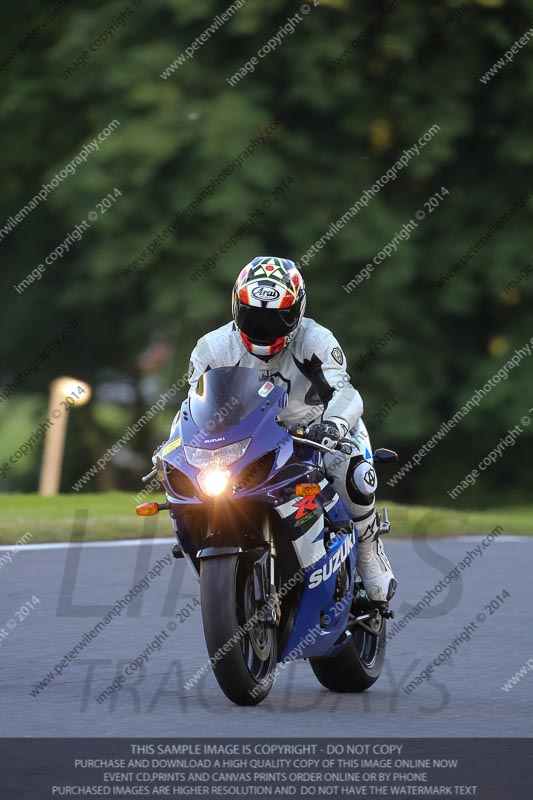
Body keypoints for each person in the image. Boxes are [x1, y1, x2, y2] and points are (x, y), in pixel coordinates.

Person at [184, 256, 396, 603]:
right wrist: (177, 443)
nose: (264, 328)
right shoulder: (212, 347)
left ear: (297, 311)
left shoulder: (316, 339)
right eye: (254, 316)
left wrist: (332, 426)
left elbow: (344, 392)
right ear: (236, 307)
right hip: (247, 440)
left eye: (277, 318)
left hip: (312, 432)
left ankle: (370, 554)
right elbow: (193, 406)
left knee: (354, 471)